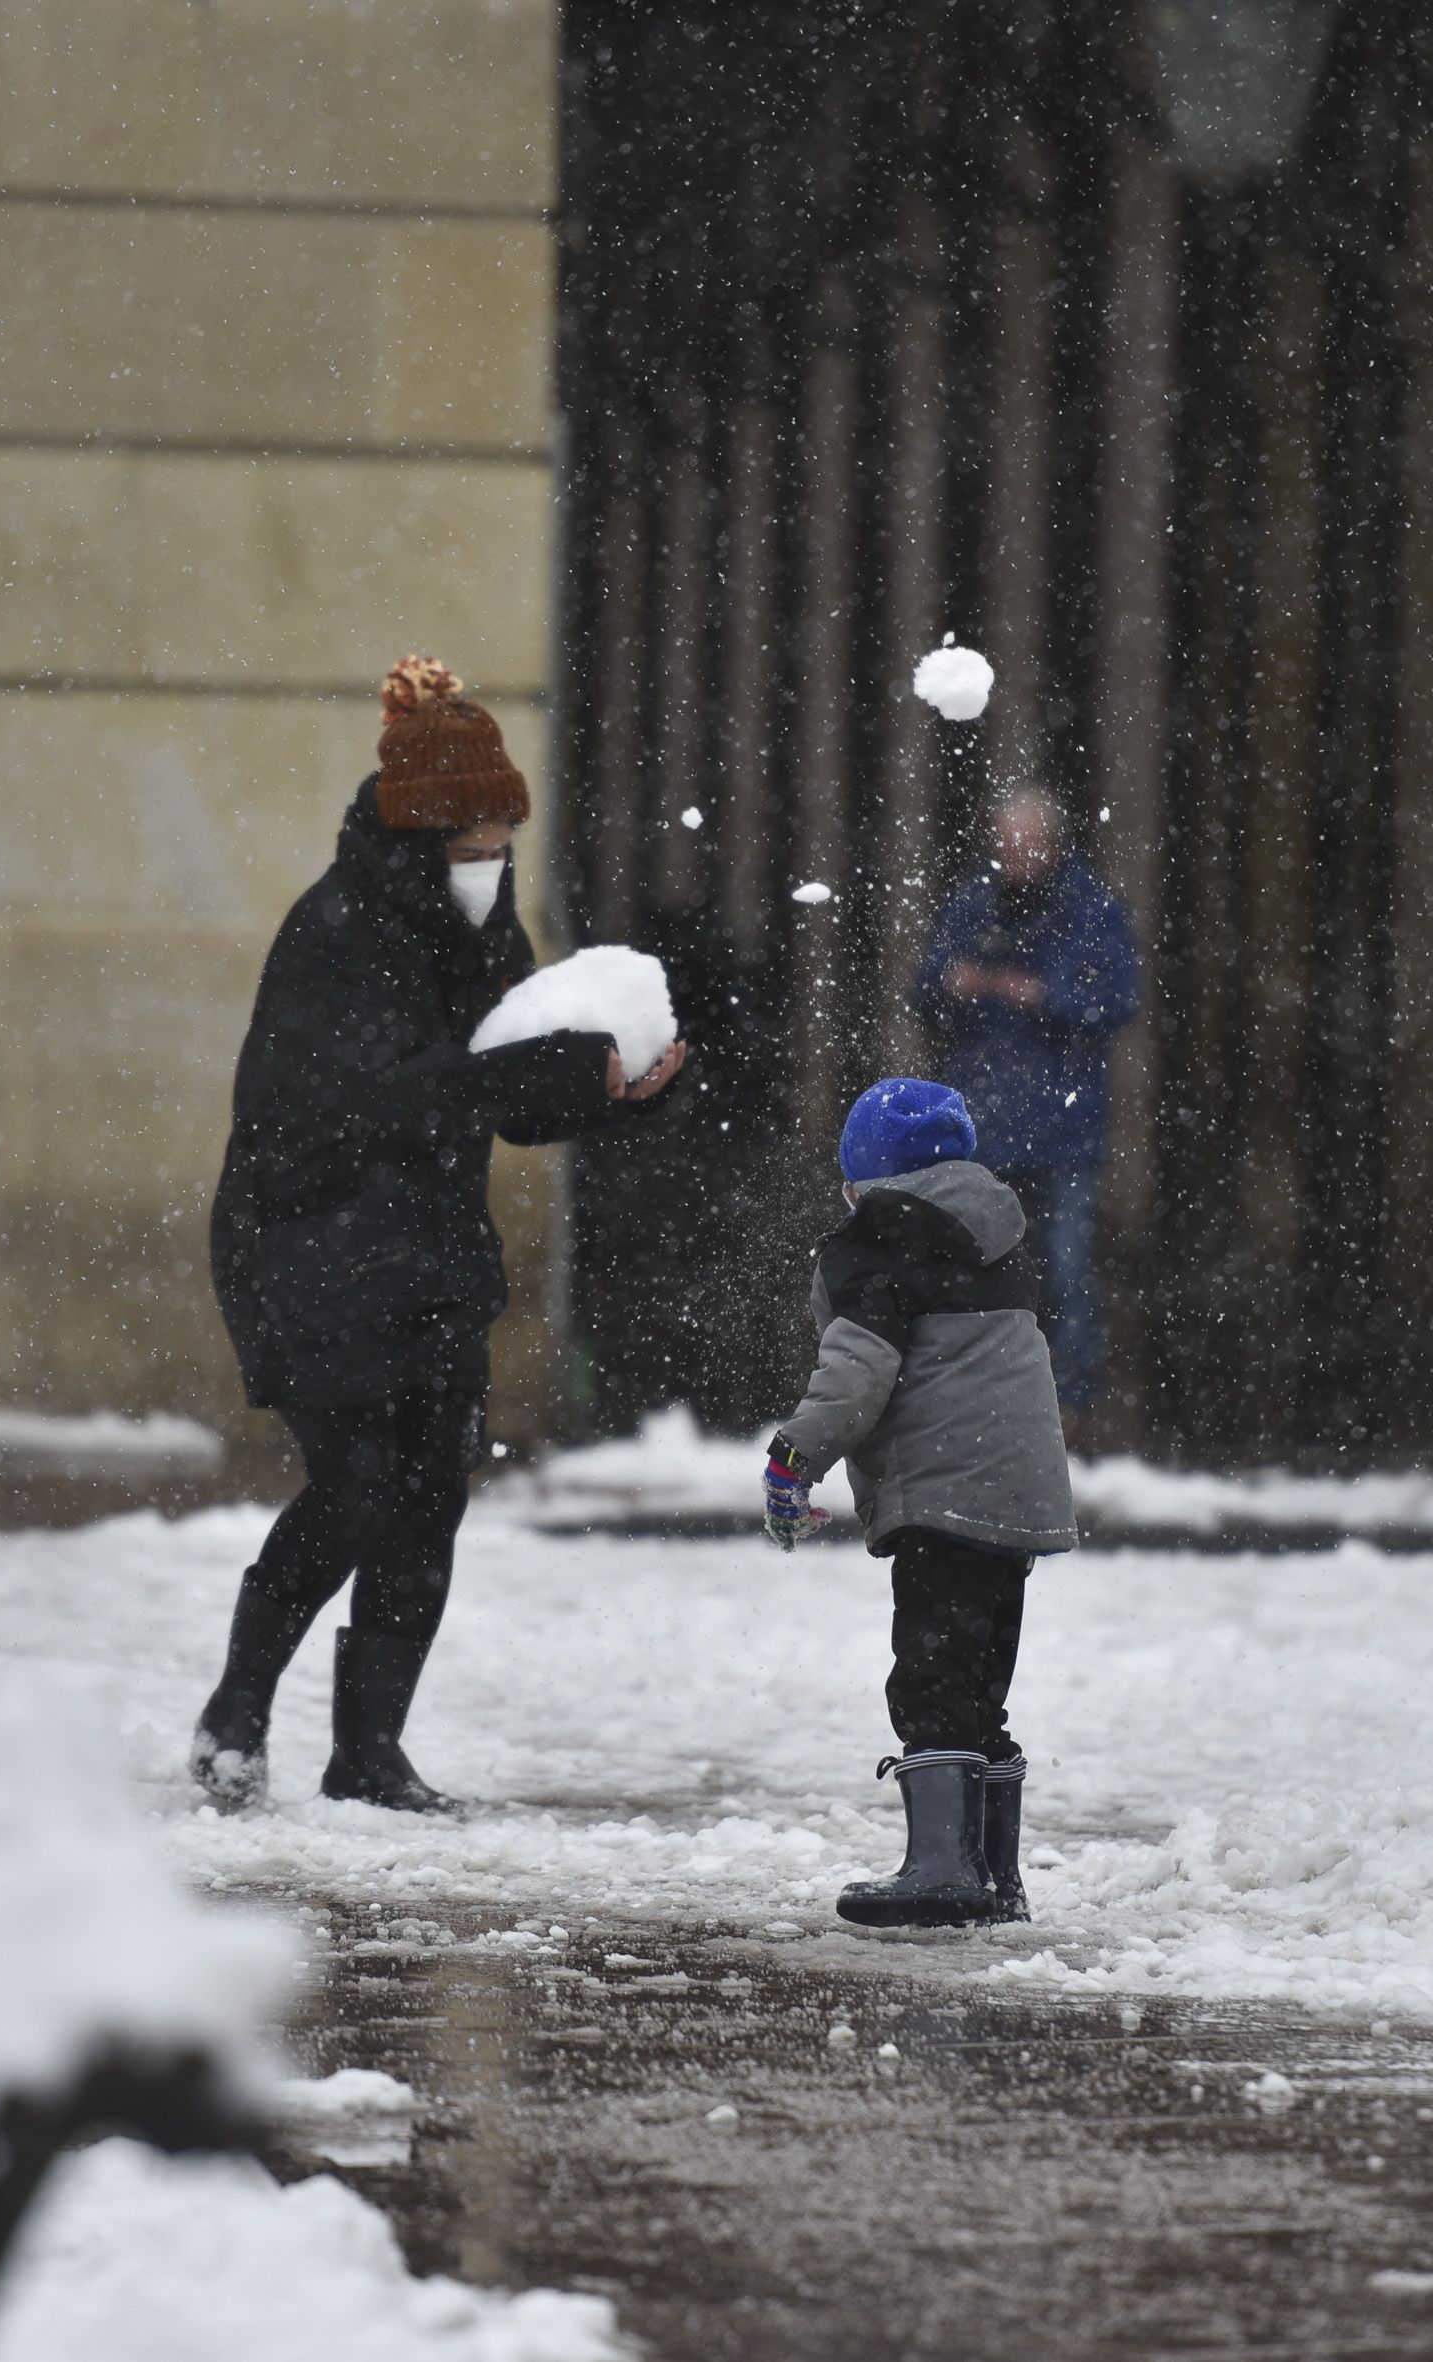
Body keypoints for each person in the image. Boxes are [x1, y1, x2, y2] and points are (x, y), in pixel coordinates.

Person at [196, 655, 684, 1814]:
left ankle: (369, 1752)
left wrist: (616, 1086)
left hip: (423, 1254)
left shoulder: (480, 932)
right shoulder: (335, 935)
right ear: (421, 838)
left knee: (428, 1501)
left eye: (504, 842)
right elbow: (390, 1097)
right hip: (305, 1248)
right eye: (473, 846)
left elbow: (505, 1096)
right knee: (359, 1486)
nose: (492, 866)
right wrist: (540, 1065)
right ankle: (237, 1710)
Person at [761, 1077, 1079, 1929]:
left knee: (933, 1676)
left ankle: (943, 1869)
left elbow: (854, 1377)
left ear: (862, 1178)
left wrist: (794, 1457)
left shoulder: (879, 1245)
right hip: (1016, 1493)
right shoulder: (998, 1233)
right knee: (979, 1684)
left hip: (943, 1492)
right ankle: (993, 1874)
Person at [909, 793, 1141, 1412]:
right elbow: (923, 992)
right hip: (986, 1122)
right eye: (1006, 843)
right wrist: (952, 985)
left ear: (1055, 844)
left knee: (1066, 1271)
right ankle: (980, 1402)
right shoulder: (972, 904)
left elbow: (1119, 1000)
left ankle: (1071, 1406)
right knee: (974, 1271)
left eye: (1028, 843)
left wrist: (1043, 995)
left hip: (1065, 1126)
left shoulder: (1093, 910)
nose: (1016, 856)